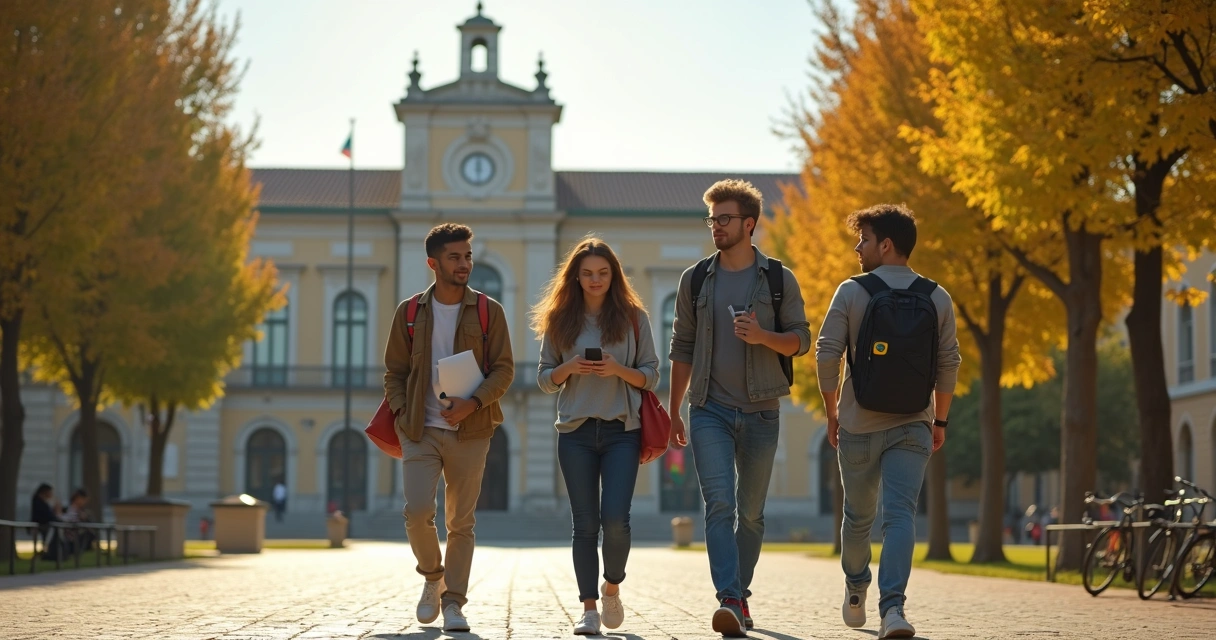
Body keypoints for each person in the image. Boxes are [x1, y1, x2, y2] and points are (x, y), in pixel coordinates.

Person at [667, 179, 811, 637]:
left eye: (724, 219)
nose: (716, 227)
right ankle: (729, 597)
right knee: (719, 505)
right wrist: (673, 410)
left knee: (751, 514)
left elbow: (801, 340)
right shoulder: (694, 280)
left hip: (762, 410)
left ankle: (739, 595)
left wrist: (764, 337)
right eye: (712, 219)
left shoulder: (777, 278)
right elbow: (682, 346)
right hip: (707, 407)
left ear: (749, 224)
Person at [815, 204, 960, 639]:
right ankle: (893, 610)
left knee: (857, 518)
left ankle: (856, 586)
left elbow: (826, 354)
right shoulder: (937, 297)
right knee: (901, 516)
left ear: (886, 244)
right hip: (914, 422)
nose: (858, 247)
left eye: (864, 239)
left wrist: (832, 410)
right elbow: (949, 364)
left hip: (859, 423)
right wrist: (940, 421)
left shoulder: (851, 291)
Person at [383, 223, 515, 633]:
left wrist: (473, 402)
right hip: (420, 430)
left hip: (471, 431)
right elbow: (394, 372)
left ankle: (454, 602)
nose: (465, 264)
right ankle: (432, 578)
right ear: (433, 263)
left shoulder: (489, 311)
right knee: (418, 512)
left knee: (461, 522)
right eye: (455, 257)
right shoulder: (408, 313)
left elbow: (505, 369)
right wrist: (405, 414)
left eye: (468, 256)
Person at [533, 237, 660, 635]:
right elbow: (543, 380)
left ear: (614, 275)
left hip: (623, 430)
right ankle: (589, 609)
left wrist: (617, 370)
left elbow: (652, 375)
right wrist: (568, 367)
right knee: (585, 524)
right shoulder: (558, 320)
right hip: (575, 432)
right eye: (587, 273)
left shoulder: (634, 317)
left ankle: (612, 586)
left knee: (616, 520)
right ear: (575, 276)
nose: (595, 280)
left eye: (603, 273)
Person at [29, 484, 65, 560]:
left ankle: (49, 551)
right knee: (53, 531)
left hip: (46, 524)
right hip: (42, 525)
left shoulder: (44, 502)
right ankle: (47, 551)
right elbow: (47, 515)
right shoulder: (39, 502)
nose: (51, 494)